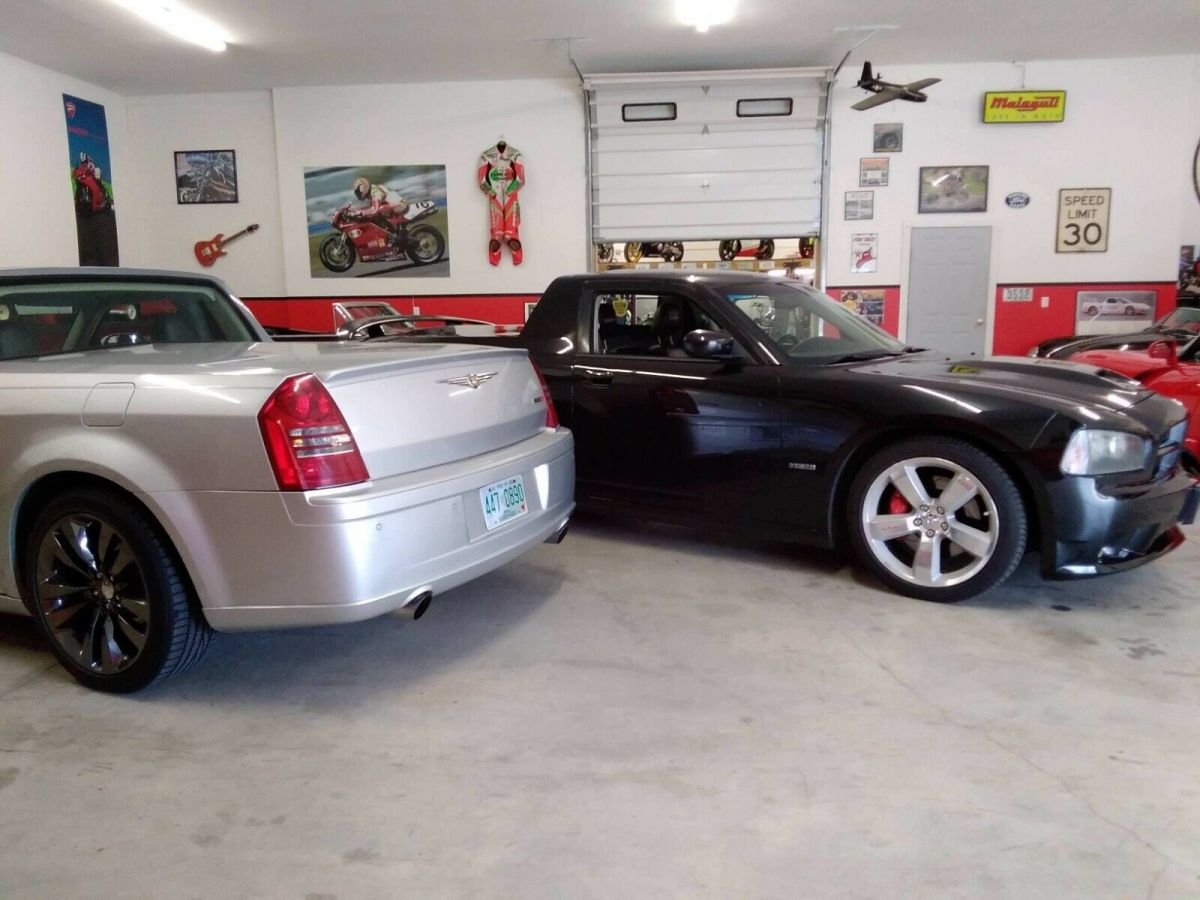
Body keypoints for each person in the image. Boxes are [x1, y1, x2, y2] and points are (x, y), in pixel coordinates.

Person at [477, 139, 525, 266]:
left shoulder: (516, 154)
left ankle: (517, 257)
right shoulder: (486, 155)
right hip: (495, 196)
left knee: (511, 234)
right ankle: (495, 257)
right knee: (496, 235)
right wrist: (491, 192)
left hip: (510, 197)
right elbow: (481, 179)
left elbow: (521, 178)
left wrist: (510, 190)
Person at [350, 176, 409, 246]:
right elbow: (371, 207)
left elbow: (375, 210)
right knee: (375, 214)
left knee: (380, 210)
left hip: (400, 206)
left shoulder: (375, 191)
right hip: (394, 207)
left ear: (363, 187)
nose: (358, 193)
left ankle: (392, 236)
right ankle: (391, 235)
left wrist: (361, 212)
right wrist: (354, 209)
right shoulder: (371, 192)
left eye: (358, 191)